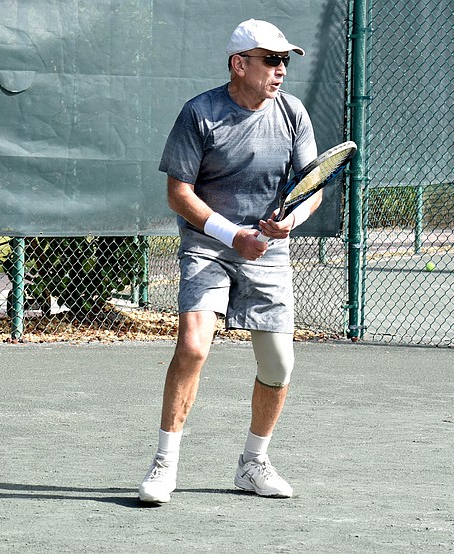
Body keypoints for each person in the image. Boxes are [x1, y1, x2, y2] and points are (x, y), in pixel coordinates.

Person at [137, 19, 320, 504]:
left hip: (269, 251)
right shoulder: (200, 113)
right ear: (240, 64)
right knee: (194, 348)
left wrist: (290, 222)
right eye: (271, 61)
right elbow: (179, 194)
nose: (281, 70)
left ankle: (253, 463)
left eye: (285, 62)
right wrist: (232, 234)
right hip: (208, 246)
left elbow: (310, 190)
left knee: (279, 364)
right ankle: (164, 466)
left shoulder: (293, 113)